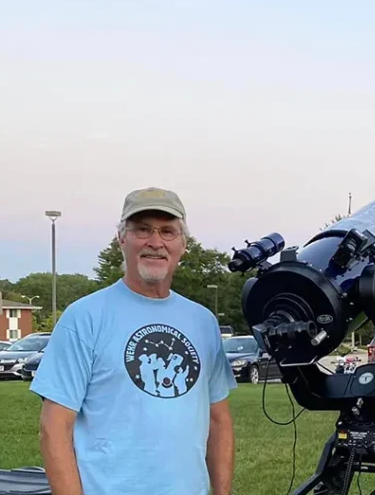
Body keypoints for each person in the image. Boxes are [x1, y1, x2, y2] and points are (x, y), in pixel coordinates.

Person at [30, 187, 237, 495]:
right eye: (142, 230)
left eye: (168, 231)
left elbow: (218, 422)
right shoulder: (85, 317)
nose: (155, 242)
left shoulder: (202, 322)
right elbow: (54, 428)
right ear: (121, 239)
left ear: (183, 244)